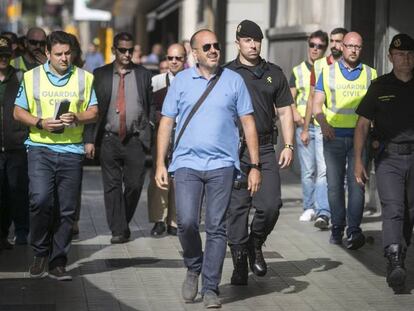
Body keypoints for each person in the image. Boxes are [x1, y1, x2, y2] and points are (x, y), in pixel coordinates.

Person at [155, 29, 260, 307]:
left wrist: (255, 165)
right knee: (187, 222)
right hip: (186, 163)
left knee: (216, 227)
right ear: (195, 53)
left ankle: (211, 287)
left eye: (216, 45)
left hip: (223, 165)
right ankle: (193, 266)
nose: (214, 50)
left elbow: (248, 123)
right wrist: (160, 164)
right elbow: (166, 122)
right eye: (207, 47)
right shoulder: (180, 82)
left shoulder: (234, 81)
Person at [13, 31, 98, 280]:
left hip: (71, 150)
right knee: (40, 201)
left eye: (67, 53)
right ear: (47, 54)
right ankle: (40, 251)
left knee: (67, 210)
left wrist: (77, 117)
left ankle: (58, 260)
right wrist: (39, 122)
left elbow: (94, 111)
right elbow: (18, 112)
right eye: (58, 54)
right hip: (40, 148)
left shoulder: (84, 78)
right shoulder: (31, 77)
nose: (64, 58)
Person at [224, 20, 294, 286]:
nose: (253, 45)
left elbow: (286, 111)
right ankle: (240, 263)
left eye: (257, 41)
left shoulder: (273, 73)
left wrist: (288, 145)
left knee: (270, 205)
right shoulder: (227, 73)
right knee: (237, 210)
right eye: (247, 40)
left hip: (265, 148)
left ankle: (255, 243)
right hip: (233, 149)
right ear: (238, 42)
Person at [354, 34, 414, 290]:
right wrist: (358, 160)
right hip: (389, 157)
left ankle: (399, 250)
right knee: (393, 207)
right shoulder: (380, 86)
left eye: (410, 54)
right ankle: (394, 257)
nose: (405, 59)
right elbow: (362, 125)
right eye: (399, 54)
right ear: (390, 57)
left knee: (409, 212)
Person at [85, 32, 154, 244]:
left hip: (135, 138)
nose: (126, 54)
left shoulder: (143, 74)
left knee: (134, 185)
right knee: (112, 186)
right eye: (122, 50)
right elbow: (91, 108)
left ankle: (121, 222)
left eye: (130, 50)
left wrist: (148, 124)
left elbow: (150, 103)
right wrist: (89, 139)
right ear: (114, 49)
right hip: (109, 138)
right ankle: (118, 230)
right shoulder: (100, 74)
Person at [312, 31, 377, 249]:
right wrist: (324, 124)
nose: (353, 50)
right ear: (342, 47)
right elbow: (316, 104)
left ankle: (354, 231)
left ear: (362, 48)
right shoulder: (328, 72)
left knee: (357, 185)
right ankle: (338, 228)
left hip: (361, 139)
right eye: (350, 46)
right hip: (334, 138)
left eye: (357, 47)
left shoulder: (371, 74)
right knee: (334, 186)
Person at [290, 30, 330, 227]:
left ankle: (322, 209)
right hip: (303, 126)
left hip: (321, 125)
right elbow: (290, 97)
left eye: (320, 46)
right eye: (312, 45)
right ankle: (309, 207)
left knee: (322, 171)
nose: (315, 49)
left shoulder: (328, 68)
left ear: (325, 48)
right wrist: (295, 116)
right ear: (308, 45)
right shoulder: (298, 70)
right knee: (308, 171)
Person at [147, 43, 186, 237]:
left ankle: (174, 222)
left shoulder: (192, 79)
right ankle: (158, 220)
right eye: (171, 58)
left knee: (180, 179)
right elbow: (149, 107)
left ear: (185, 60)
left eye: (178, 58)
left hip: (184, 137)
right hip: (162, 135)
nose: (174, 62)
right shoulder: (157, 81)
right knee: (159, 177)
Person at [0, 36, 29, 248]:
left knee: (17, 190)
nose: (3, 58)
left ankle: (21, 232)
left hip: (16, 144)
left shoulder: (21, 77)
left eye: (6, 55)